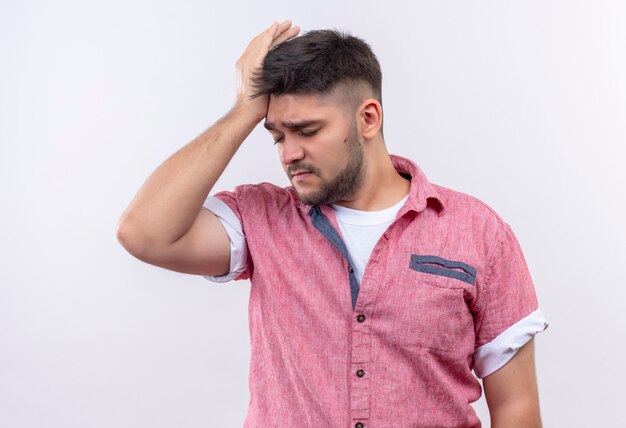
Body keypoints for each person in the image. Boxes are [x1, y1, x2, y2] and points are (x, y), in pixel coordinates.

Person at [117, 20, 548, 428]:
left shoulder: (479, 231)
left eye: (307, 131)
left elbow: (515, 404)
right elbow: (144, 233)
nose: (288, 154)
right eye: (278, 136)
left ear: (368, 118)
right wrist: (242, 110)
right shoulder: (260, 218)